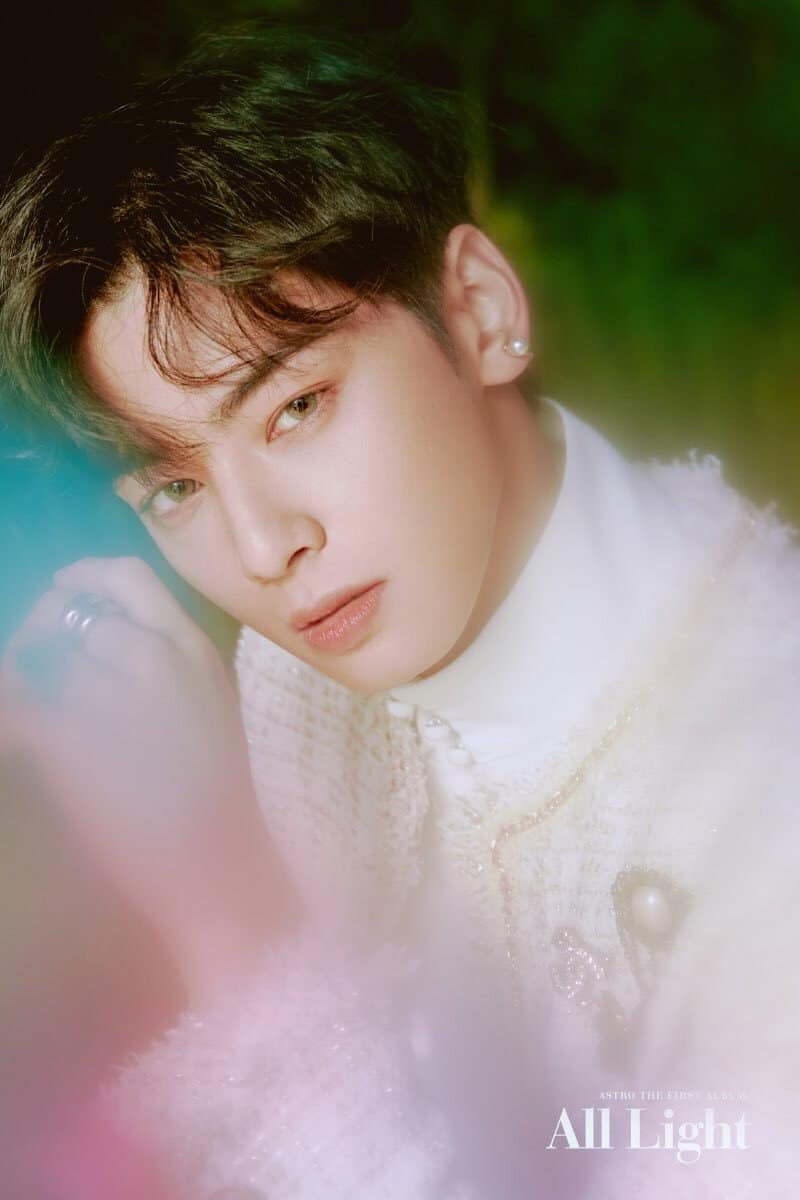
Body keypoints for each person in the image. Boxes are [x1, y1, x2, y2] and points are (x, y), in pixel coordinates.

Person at [1, 26, 798, 1200]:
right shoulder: (299, 675)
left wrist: (233, 927)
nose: (265, 550)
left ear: (476, 309)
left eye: (296, 408)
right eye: (174, 487)